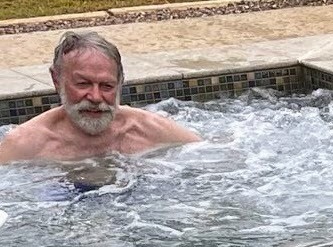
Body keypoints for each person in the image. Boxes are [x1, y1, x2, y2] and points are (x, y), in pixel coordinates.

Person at [0, 32, 200, 165]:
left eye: (107, 86)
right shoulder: (23, 145)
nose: (96, 97)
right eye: (83, 84)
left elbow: (207, 155)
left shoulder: (152, 130)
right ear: (57, 80)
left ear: (120, 83)